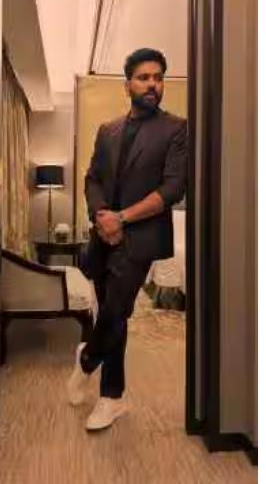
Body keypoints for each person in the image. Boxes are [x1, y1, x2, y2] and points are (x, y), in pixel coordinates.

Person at [68, 48, 187, 431]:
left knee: (116, 309)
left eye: (158, 78)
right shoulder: (108, 130)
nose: (152, 84)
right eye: (144, 77)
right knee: (112, 314)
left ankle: (87, 359)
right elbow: (92, 178)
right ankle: (112, 398)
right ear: (128, 85)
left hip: (142, 237)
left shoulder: (176, 129)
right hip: (104, 234)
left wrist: (122, 218)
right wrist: (102, 215)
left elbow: (172, 189)